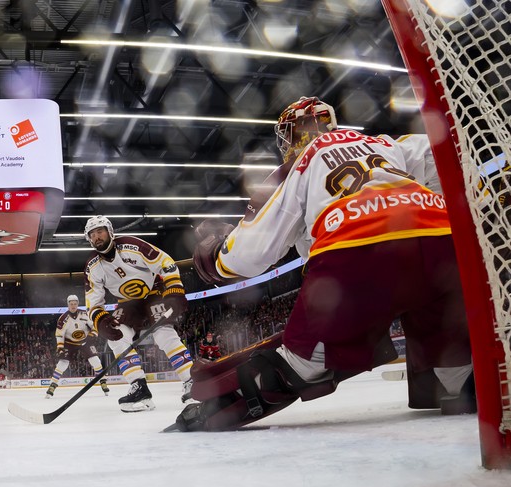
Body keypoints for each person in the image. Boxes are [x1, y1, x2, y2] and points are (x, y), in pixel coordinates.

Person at [186, 96, 472, 430]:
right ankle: (465, 385)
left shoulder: (298, 165)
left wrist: (218, 256)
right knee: (452, 353)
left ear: (292, 134)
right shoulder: (386, 143)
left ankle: (222, 406)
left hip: (355, 253)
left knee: (301, 364)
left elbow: (252, 253)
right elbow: (450, 154)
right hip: (441, 244)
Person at [83, 216, 194, 412]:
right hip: (128, 303)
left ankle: (191, 380)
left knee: (163, 333)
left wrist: (174, 289)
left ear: (110, 232)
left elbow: (165, 262)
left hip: (154, 293)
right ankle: (139, 387)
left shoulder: (131, 245)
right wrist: (100, 320)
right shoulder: (92, 266)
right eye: (92, 234)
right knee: (116, 335)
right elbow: (93, 301)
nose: (96, 237)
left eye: (100, 231)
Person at [45, 294, 110, 398]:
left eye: (75, 304)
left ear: (78, 304)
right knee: (63, 363)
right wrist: (60, 347)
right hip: (70, 342)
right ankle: (52, 385)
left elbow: (94, 325)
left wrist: (93, 334)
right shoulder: (63, 318)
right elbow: (60, 334)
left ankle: (103, 381)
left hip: (85, 341)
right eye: (71, 304)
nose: (73, 306)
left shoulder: (84, 314)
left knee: (95, 360)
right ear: (68, 305)